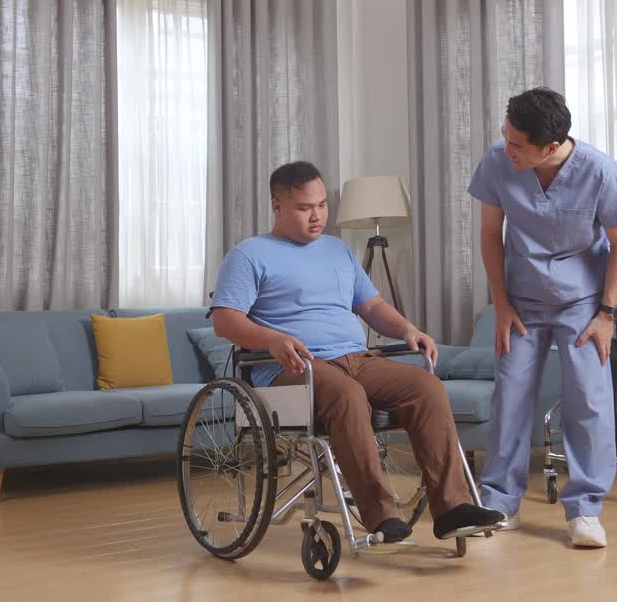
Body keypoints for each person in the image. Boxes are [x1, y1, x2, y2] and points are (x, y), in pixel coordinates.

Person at [211, 161, 505, 543]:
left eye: (321, 205)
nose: (316, 216)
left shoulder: (338, 251)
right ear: (277, 206)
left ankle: (452, 508)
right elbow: (225, 320)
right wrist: (271, 339)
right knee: (347, 396)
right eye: (304, 208)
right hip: (293, 366)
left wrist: (408, 330)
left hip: (356, 358)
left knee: (426, 387)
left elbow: (372, 307)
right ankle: (382, 516)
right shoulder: (250, 254)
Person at [468, 87, 617, 549]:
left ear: (551, 145)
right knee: (512, 396)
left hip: (584, 302)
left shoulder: (598, 170)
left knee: (588, 400)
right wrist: (500, 304)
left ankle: (585, 510)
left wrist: (607, 313)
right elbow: (490, 235)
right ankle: (500, 502)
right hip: (522, 300)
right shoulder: (499, 161)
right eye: (506, 137)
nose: (508, 150)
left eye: (517, 144)